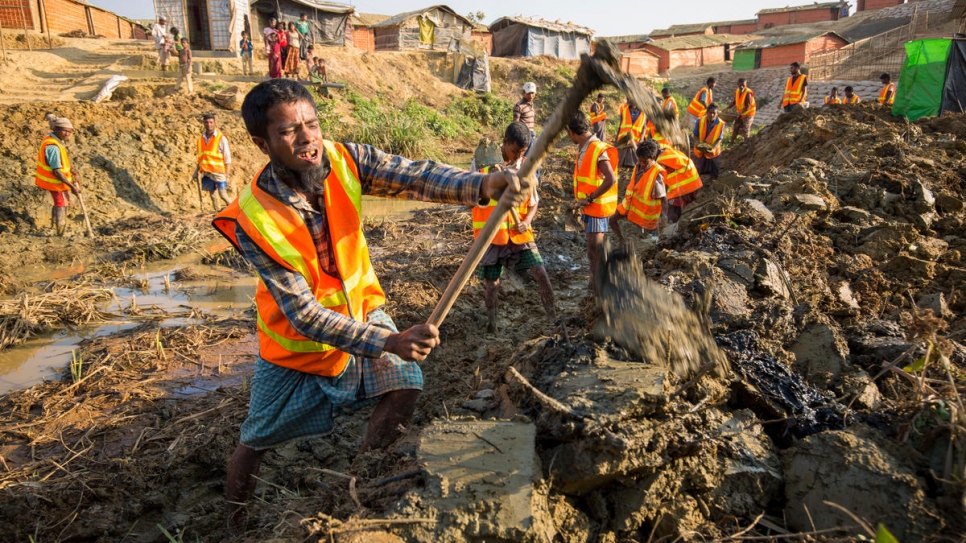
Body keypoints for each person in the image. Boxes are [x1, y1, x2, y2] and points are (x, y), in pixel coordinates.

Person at [212, 79, 527, 528]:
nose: (307, 138)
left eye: (312, 124)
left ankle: (358, 482)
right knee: (256, 438)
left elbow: (417, 176)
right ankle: (234, 522)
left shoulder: (346, 160)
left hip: (358, 307)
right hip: (293, 345)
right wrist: (387, 340)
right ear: (261, 142)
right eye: (288, 132)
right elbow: (303, 315)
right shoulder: (253, 218)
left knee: (407, 383)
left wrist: (483, 183)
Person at [473, 122, 556, 333]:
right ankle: (492, 326)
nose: (517, 156)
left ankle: (554, 319)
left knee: (541, 272)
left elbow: (534, 201)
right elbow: (469, 195)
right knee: (492, 283)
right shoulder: (482, 163)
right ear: (505, 142)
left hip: (519, 233)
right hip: (492, 235)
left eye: (521, 152)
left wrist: (527, 221)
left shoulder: (526, 167)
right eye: (514, 151)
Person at [565, 111, 618, 292]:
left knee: (594, 250)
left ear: (571, 132)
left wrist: (589, 198)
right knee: (592, 250)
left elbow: (611, 179)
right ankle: (596, 283)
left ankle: (599, 287)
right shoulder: (584, 147)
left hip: (597, 207)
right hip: (589, 207)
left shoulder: (596, 148)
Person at [610, 140, 666, 244]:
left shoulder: (657, 173)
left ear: (653, 158)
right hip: (629, 204)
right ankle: (623, 242)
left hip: (645, 213)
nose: (642, 164)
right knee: (611, 220)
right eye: (640, 161)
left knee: (649, 240)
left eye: (645, 162)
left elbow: (663, 198)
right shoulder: (638, 165)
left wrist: (663, 219)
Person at [36, 117, 82, 236]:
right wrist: (71, 186)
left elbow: (64, 160)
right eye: (64, 131)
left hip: (60, 180)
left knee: (60, 203)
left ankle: (54, 227)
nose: (67, 134)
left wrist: (74, 172)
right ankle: (60, 233)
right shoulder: (53, 147)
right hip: (56, 181)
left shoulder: (55, 140)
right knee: (61, 204)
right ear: (56, 129)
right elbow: (56, 171)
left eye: (69, 131)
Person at [657, 141, 702, 224]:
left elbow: (659, 179)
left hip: (684, 186)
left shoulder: (660, 160)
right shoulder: (668, 150)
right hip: (694, 183)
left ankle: (670, 224)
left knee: (670, 205)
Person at [193, 113, 231, 209]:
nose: (209, 124)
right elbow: (201, 158)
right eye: (206, 122)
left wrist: (227, 175)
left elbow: (227, 158)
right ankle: (217, 213)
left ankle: (236, 211)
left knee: (223, 194)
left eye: (211, 122)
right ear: (203, 123)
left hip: (218, 172)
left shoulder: (221, 138)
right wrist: (195, 171)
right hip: (206, 172)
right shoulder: (200, 139)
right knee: (213, 195)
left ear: (215, 123)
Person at [693, 104, 725, 183]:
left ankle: (713, 183)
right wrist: (698, 144)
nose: (712, 115)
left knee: (714, 170)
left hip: (713, 150)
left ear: (717, 114)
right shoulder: (700, 120)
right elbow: (695, 134)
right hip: (701, 149)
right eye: (710, 112)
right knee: (698, 169)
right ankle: (697, 183)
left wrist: (713, 147)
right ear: (707, 112)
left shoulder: (721, 124)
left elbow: (719, 138)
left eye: (714, 113)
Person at [616, 100, 646, 170]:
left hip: (636, 138)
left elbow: (644, 127)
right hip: (624, 137)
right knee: (622, 154)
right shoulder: (624, 110)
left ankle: (633, 167)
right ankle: (622, 167)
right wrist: (616, 138)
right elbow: (620, 124)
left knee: (634, 154)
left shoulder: (643, 113)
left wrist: (641, 139)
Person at [726, 78, 756, 145]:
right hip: (741, 113)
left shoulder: (748, 93)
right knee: (736, 127)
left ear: (746, 85)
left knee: (745, 128)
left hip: (749, 113)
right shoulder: (737, 91)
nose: (742, 86)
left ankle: (746, 143)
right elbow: (734, 101)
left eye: (743, 85)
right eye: (740, 85)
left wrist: (740, 113)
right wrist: (728, 108)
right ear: (737, 84)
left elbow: (748, 106)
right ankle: (731, 142)